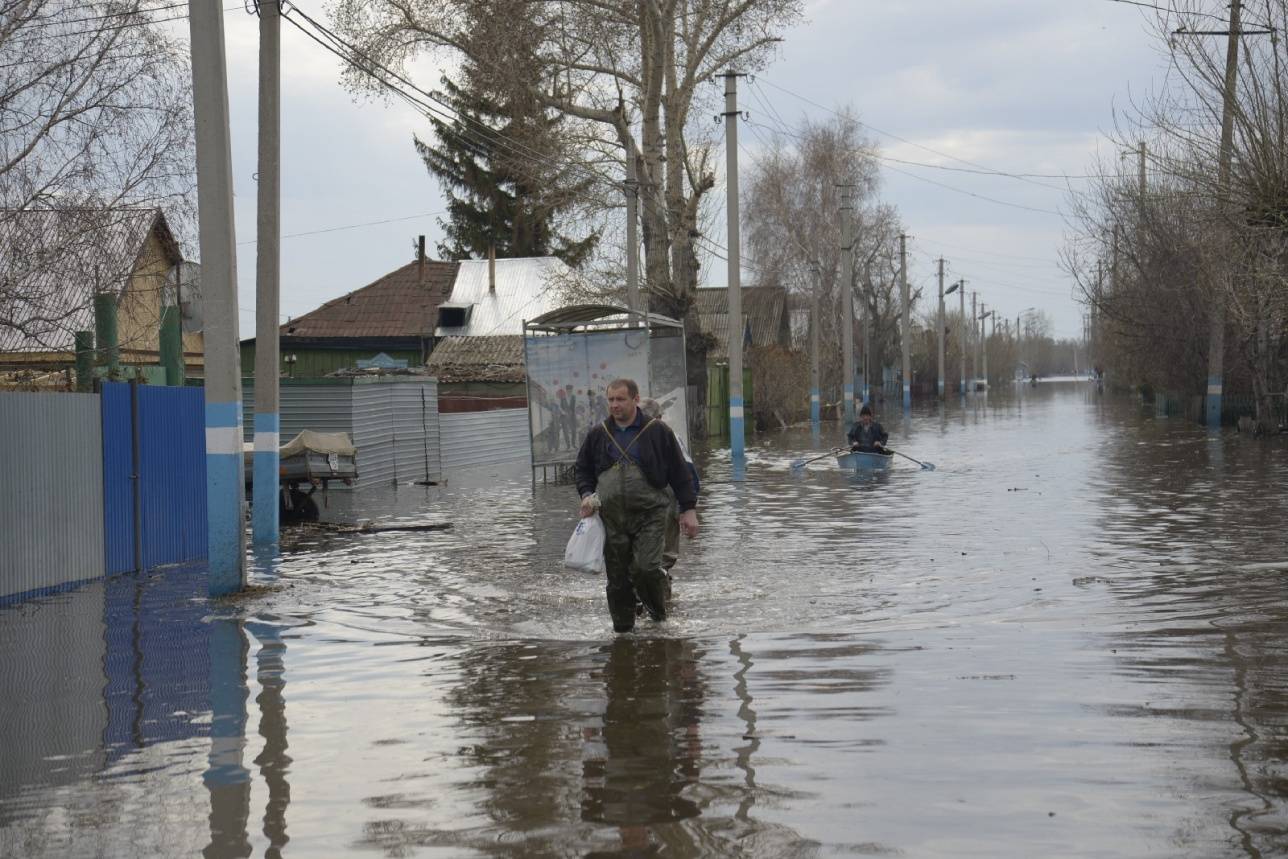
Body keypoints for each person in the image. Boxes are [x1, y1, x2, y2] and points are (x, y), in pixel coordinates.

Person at [575, 379, 699, 633]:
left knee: (647, 568)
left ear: (635, 399)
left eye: (620, 399)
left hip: (651, 514)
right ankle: (622, 630)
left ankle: (658, 620)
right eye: (610, 400)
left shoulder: (658, 432)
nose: (614, 405)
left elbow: (680, 472)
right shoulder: (598, 434)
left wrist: (689, 510)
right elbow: (582, 469)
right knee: (617, 580)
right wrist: (586, 494)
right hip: (611, 517)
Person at [639, 397, 700, 588]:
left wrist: (687, 508)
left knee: (664, 553)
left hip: (668, 500)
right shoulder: (627, 437)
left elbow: (688, 472)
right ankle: (654, 592)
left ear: (659, 417)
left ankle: (660, 592)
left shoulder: (670, 437)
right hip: (642, 504)